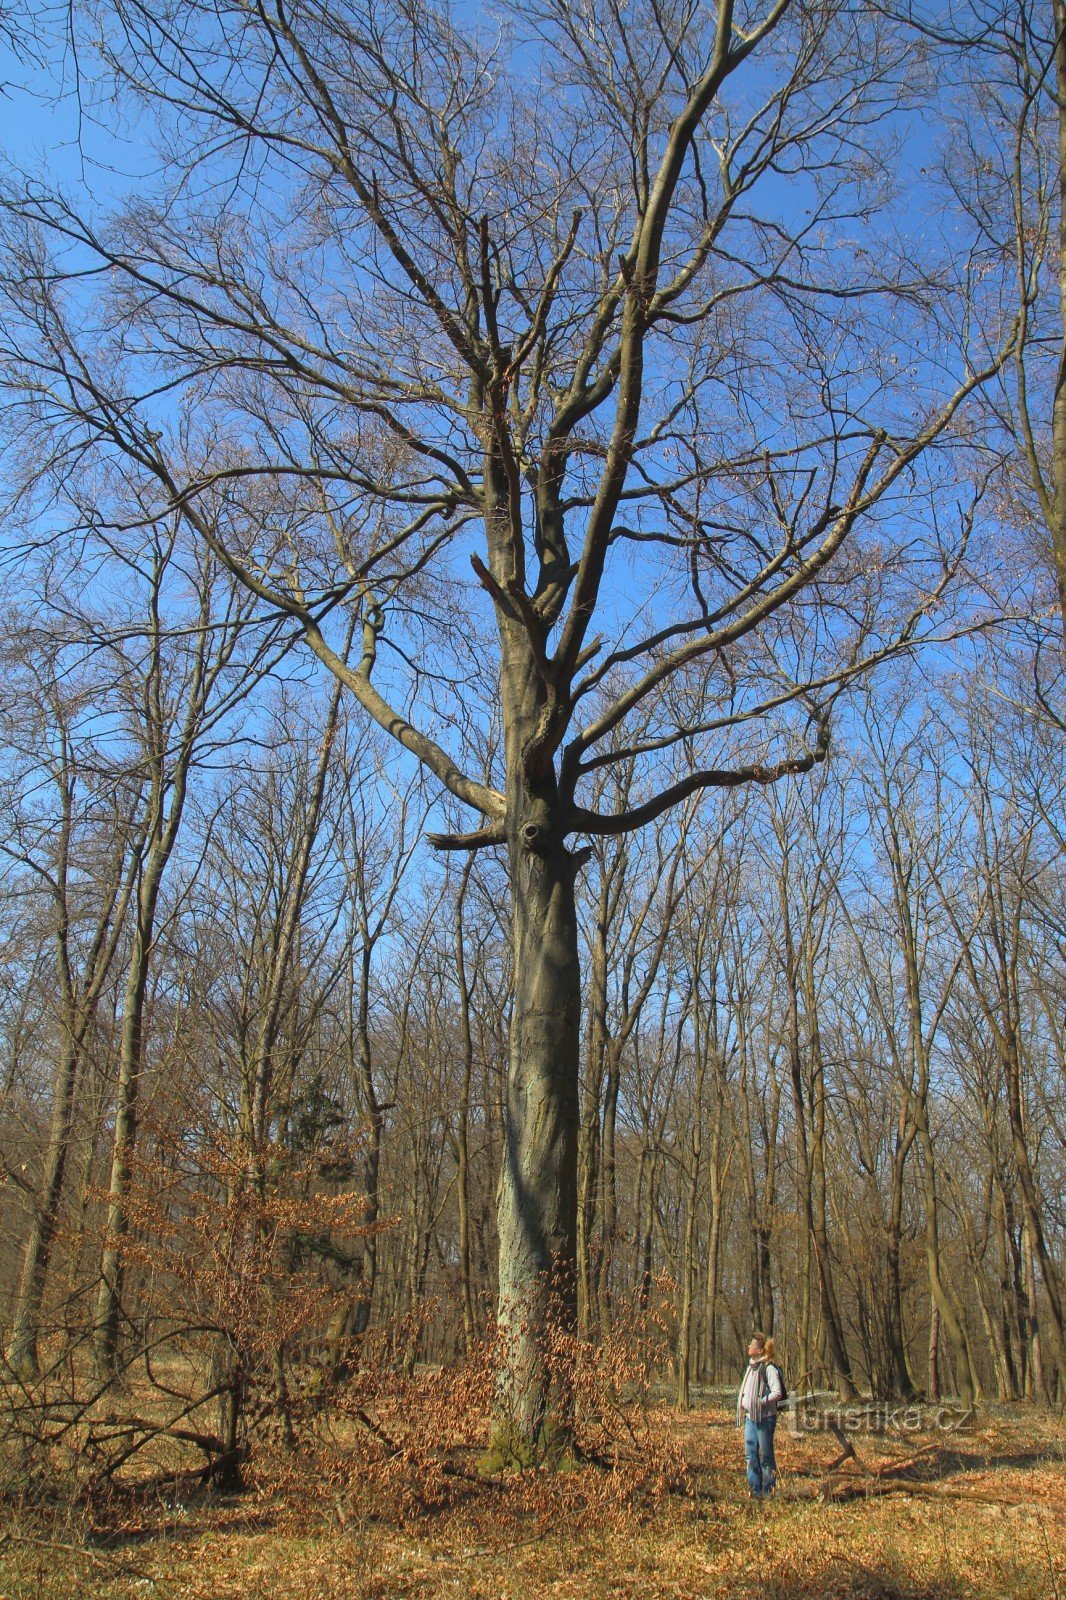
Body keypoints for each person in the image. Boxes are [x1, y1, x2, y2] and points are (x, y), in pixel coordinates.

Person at [736, 1331, 785, 1498]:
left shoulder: (768, 1368)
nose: (749, 1346)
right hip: (750, 1418)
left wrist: (760, 1402)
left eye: (752, 1345)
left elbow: (777, 1393)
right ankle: (754, 1491)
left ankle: (768, 1491)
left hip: (765, 1419)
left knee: (765, 1457)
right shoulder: (751, 1367)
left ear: (760, 1350)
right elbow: (747, 1392)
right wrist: (744, 1403)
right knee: (750, 1455)